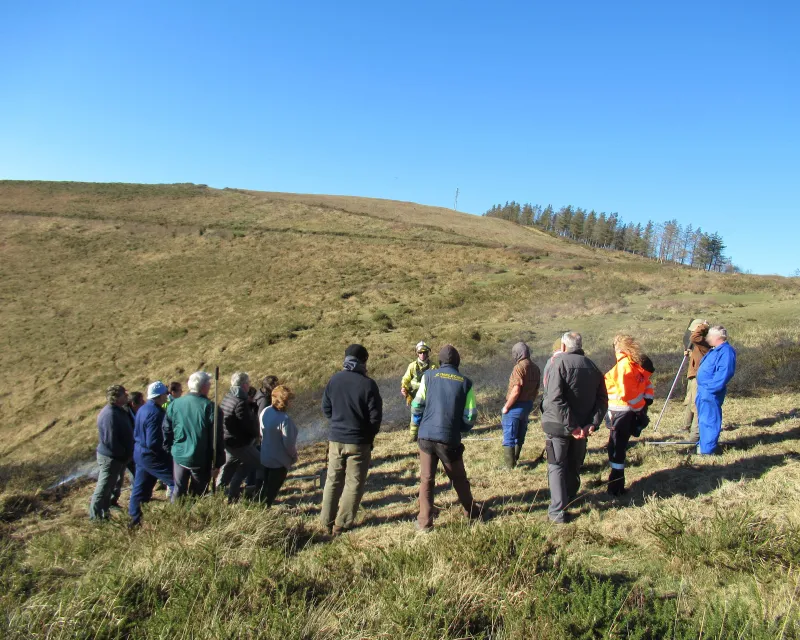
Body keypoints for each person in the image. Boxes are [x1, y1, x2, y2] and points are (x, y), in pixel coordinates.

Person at [412, 344, 484, 532]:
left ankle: (424, 523)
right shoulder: (466, 383)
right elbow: (470, 416)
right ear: (458, 362)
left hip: (426, 437)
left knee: (426, 479)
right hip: (449, 439)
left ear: (440, 361)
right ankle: (472, 512)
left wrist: (418, 424)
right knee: (459, 478)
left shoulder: (428, 376)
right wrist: (460, 428)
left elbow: (417, 405)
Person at [540, 332, 607, 524]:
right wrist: (591, 423)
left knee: (556, 466)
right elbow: (603, 399)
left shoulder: (557, 364)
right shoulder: (592, 366)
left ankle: (557, 512)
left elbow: (554, 398)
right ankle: (568, 498)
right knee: (573, 465)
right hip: (582, 428)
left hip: (559, 426)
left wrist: (573, 426)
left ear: (563, 346)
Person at [320, 344, 383, 535]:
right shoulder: (368, 384)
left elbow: (326, 408)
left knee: (332, 481)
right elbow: (375, 418)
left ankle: (325, 523)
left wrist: (337, 423)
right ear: (364, 360)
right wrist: (368, 436)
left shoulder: (334, 380)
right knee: (354, 483)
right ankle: (342, 524)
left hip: (336, 439)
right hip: (359, 442)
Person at [604, 335, 654, 496]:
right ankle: (617, 482)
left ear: (619, 348)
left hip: (620, 411)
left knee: (616, 448)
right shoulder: (634, 364)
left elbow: (626, 392)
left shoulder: (624, 366)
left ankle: (615, 486)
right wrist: (642, 407)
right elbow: (646, 385)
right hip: (627, 411)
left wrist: (638, 408)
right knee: (619, 446)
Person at [163, 371, 224, 498]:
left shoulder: (175, 404)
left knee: (178, 490)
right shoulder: (211, 408)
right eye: (209, 384)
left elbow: (167, 429)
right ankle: (191, 509)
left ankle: (177, 509)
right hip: (200, 458)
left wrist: (170, 449)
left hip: (179, 455)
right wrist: (217, 463)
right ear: (204, 387)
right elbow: (216, 438)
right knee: (197, 493)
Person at [128, 381, 175, 525]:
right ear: (159, 396)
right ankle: (178, 516)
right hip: (152, 456)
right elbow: (153, 442)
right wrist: (168, 451)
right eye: (165, 394)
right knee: (176, 482)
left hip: (140, 453)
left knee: (141, 489)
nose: (167, 396)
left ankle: (134, 520)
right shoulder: (155, 414)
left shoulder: (143, 409)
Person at [89, 385, 134, 520]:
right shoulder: (110, 415)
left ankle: (105, 512)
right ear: (116, 397)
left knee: (110, 486)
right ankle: (96, 517)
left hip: (117, 457)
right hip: (111, 458)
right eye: (124, 394)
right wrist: (123, 455)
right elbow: (111, 441)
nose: (127, 396)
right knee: (104, 488)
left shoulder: (119, 410)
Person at [216, 372, 261, 502]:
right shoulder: (240, 402)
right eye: (248, 383)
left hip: (229, 440)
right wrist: (257, 434)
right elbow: (248, 425)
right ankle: (260, 494)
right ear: (244, 385)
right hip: (240, 443)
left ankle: (223, 495)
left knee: (229, 469)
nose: (249, 386)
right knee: (260, 463)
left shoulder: (228, 397)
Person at [696, 325, 737, 455]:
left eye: (709, 336)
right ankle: (703, 446)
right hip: (703, 391)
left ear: (717, 337)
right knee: (703, 420)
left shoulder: (726, 351)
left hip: (710, 392)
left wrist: (711, 388)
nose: (707, 339)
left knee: (709, 420)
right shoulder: (714, 350)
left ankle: (707, 450)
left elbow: (725, 372)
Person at [501, 342, 541, 468]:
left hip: (515, 405)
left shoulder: (518, 368)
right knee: (520, 434)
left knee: (509, 435)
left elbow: (516, 390)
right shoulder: (536, 368)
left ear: (518, 354)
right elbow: (536, 390)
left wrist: (507, 406)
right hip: (527, 405)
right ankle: (515, 459)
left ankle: (509, 466)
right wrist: (530, 402)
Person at [259, 385, 299, 506]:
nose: (292, 403)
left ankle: (260, 508)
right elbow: (289, 444)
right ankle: (264, 511)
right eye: (290, 400)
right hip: (279, 462)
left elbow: (261, 432)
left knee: (264, 487)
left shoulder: (265, 411)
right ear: (285, 401)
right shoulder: (284, 420)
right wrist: (294, 456)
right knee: (271, 491)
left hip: (265, 456)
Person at [682, 319, 711, 440]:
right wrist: (690, 354)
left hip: (698, 377)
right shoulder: (700, 344)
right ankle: (686, 426)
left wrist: (703, 326)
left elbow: (694, 338)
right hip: (693, 375)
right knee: (690, 401)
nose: (692, 333)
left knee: (696, 404)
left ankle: (695, 434)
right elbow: (699, 356)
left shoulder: (705, 341)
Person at [402, 341, 437, 441]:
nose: (422, 354)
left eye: (424, 352)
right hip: (415, 396)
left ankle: (428, 436)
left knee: (429, 416)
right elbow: (405, 379)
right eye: (420, 352)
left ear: (428, 353)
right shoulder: (412, 366)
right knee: (415, 416)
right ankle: (413, 437)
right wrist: (404, 388)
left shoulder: (434, 366)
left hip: (429, 396)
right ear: (417, 353)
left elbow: (438, 381)